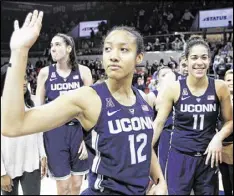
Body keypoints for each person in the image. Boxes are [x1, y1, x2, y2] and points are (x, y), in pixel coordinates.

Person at [2, 10, 167, 195]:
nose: (113, 56)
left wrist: (161, 180)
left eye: (124, 49)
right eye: (107, 49)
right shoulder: (89, 98)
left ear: (139, 58)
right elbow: (12, 125)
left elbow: (144, 147)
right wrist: (19, 52)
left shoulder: (143, 100)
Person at [152, 35, 233, 195]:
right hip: (180, 157)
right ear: (186, 61)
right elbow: (159, 123)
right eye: (194, 57)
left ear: (209, 60)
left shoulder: (219, 87)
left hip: (208, 158)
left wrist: (217, 138)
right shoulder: (175, 88)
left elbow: (230, 122)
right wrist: (146, 149)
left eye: (204, 57)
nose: (199, 62)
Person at [36, 33, 92, 195]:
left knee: (76, 184)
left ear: (69, 48)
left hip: (78, 131)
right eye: (52, 45)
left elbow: (92, 109)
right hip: (55, 132)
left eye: (58, 45)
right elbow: (38, 111)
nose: (53, 49)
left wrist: (86, 138)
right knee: (63, 186)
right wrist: (40, 148)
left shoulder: (84, 72)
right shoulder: (45, 73)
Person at [1, 67, 47, 195]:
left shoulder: (33, 103)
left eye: (25, 78)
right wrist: (1, 173)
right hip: (8, 166)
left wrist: (42, 155)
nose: (23, 82)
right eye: (18, 78)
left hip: (31, 162)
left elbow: (39, 133)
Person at [147, 67, 176, 176]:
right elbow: (148, 122)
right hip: (162, 135)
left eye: (170, 74)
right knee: (164, 170)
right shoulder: (152, 96)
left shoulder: (180, 92)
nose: (168, 77)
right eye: (164, 75)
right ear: (158, 79)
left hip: (180, 135)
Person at [218, 69, 233, 195]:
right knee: (225, 178)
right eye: (228, 80)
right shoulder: (219, 100)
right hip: (221, 146)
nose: (231, 82)